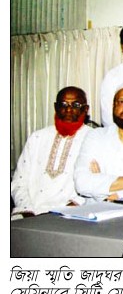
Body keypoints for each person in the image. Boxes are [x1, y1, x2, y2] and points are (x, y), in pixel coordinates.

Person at [11, 87, 92, 216]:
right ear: (56, 107)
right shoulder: (37, 137)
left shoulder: (93, 139)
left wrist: (70, 208)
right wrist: (26, 209)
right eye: (63, 104)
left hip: (70, 214)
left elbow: (95, 186)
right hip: (29, 212)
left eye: (76, 105)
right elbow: (19, 181)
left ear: (85, 109)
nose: (68, 109)